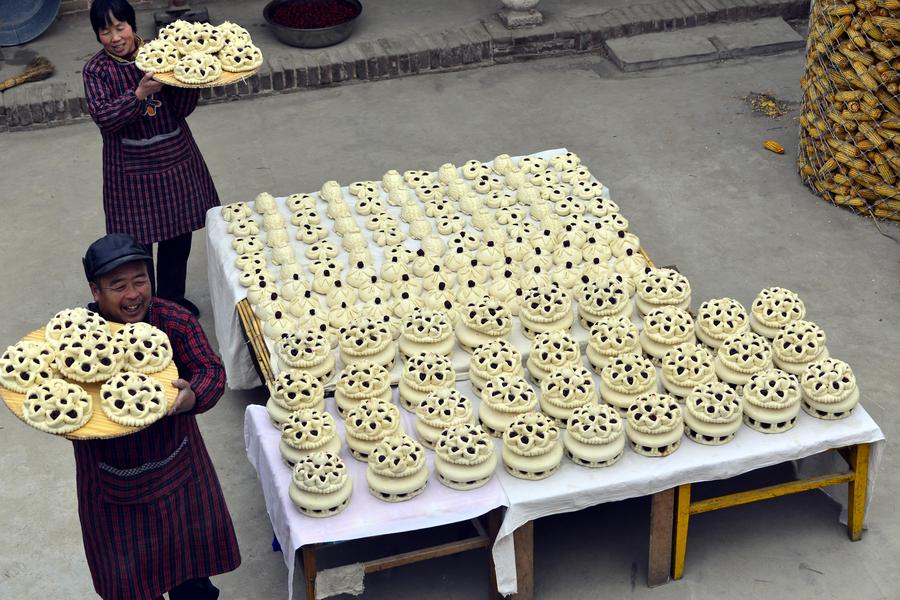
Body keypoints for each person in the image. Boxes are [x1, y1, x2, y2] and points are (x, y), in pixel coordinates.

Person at [74, 233, 240, 600]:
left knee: (192, 577)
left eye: (140, 281)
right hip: (111, 482)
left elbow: (211, 370)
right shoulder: (76, 341)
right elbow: (52, 397)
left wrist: (193, 394)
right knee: (131, 585)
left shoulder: (173, 321)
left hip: (177, 467)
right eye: (118, 286)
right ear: (95, 291)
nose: (133, 294)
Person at [83, 0, 220, 317]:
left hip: (175, 161)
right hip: (129, 173)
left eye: (121, 27)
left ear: (132, 25)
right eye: (105, 31)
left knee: (178, 240)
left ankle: (171, 304)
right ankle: (144, 309)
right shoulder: (96, 71)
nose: (116, 37)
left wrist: (187, 76)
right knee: (136, 248)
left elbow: (181, 109)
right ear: (97, 35)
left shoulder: (161, 53)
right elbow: (105, 118)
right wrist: (139, 94)